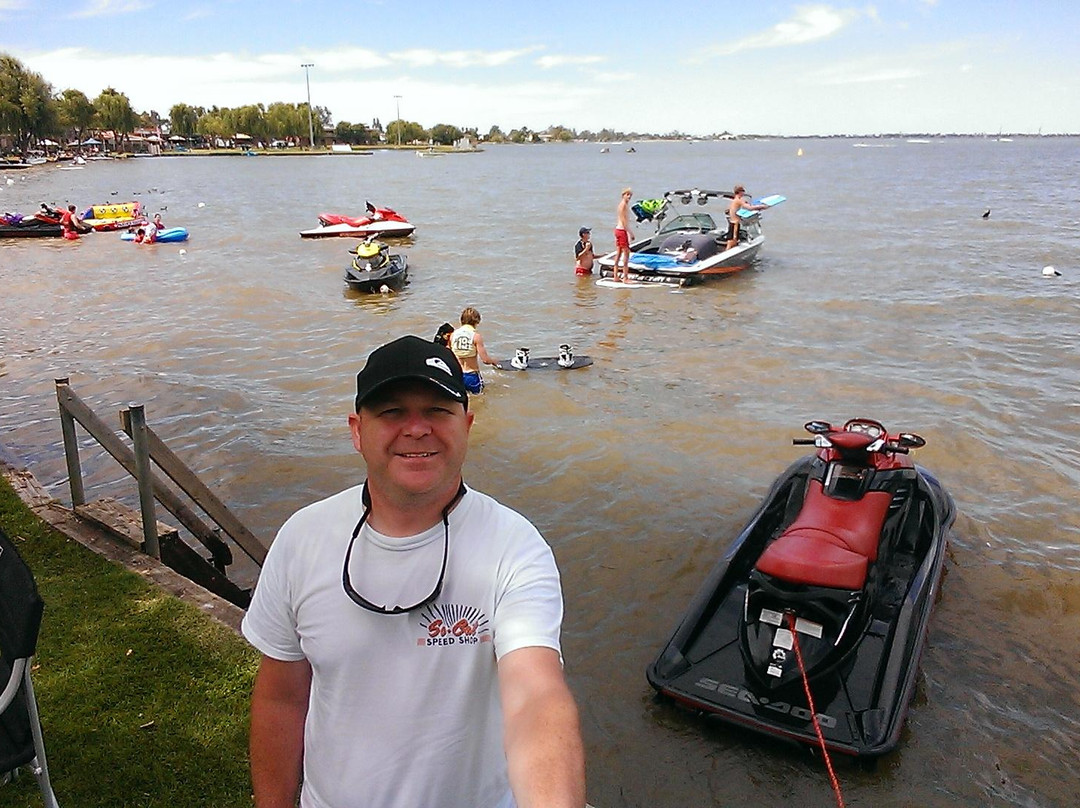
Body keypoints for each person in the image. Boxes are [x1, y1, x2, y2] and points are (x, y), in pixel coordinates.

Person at [242, 335, 586, 808]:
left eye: (437, 411)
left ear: (467, 426)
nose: (417, 429)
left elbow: (536, 697)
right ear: (357, 431)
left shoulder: (515, 548)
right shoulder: (302, 539)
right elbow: (281, 698)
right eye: (392, 412)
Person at [450, 307, 498, 394]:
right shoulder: (476, 336)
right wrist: (494, 361)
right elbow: (485, 360)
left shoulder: (453, 335)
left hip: (457, 376)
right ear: (476, 321)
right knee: (480, 400)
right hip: (471, 376)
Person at [724, 184, 767, 251]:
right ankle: (727, 253)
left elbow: (730, 210)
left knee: (733, 240)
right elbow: (749, 208)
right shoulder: (739, 200)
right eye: (743, 191)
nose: (744, 193)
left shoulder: (734, 200)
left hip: (732, 222)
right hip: (735, 224)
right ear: (740, 192)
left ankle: (728, 251)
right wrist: (762, 207)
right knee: (732, 241)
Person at [613, 188, 634, 283]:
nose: (629, 197)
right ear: (623, 195)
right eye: (627, 194)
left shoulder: (623, 205)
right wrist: (630, 233)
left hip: (618, 230)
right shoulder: (623, 206)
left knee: (619, 252)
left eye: (630, 195)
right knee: (626, 253)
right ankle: (625, 277)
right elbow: (624, 221)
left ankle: (616, 275)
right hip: (621, 230)